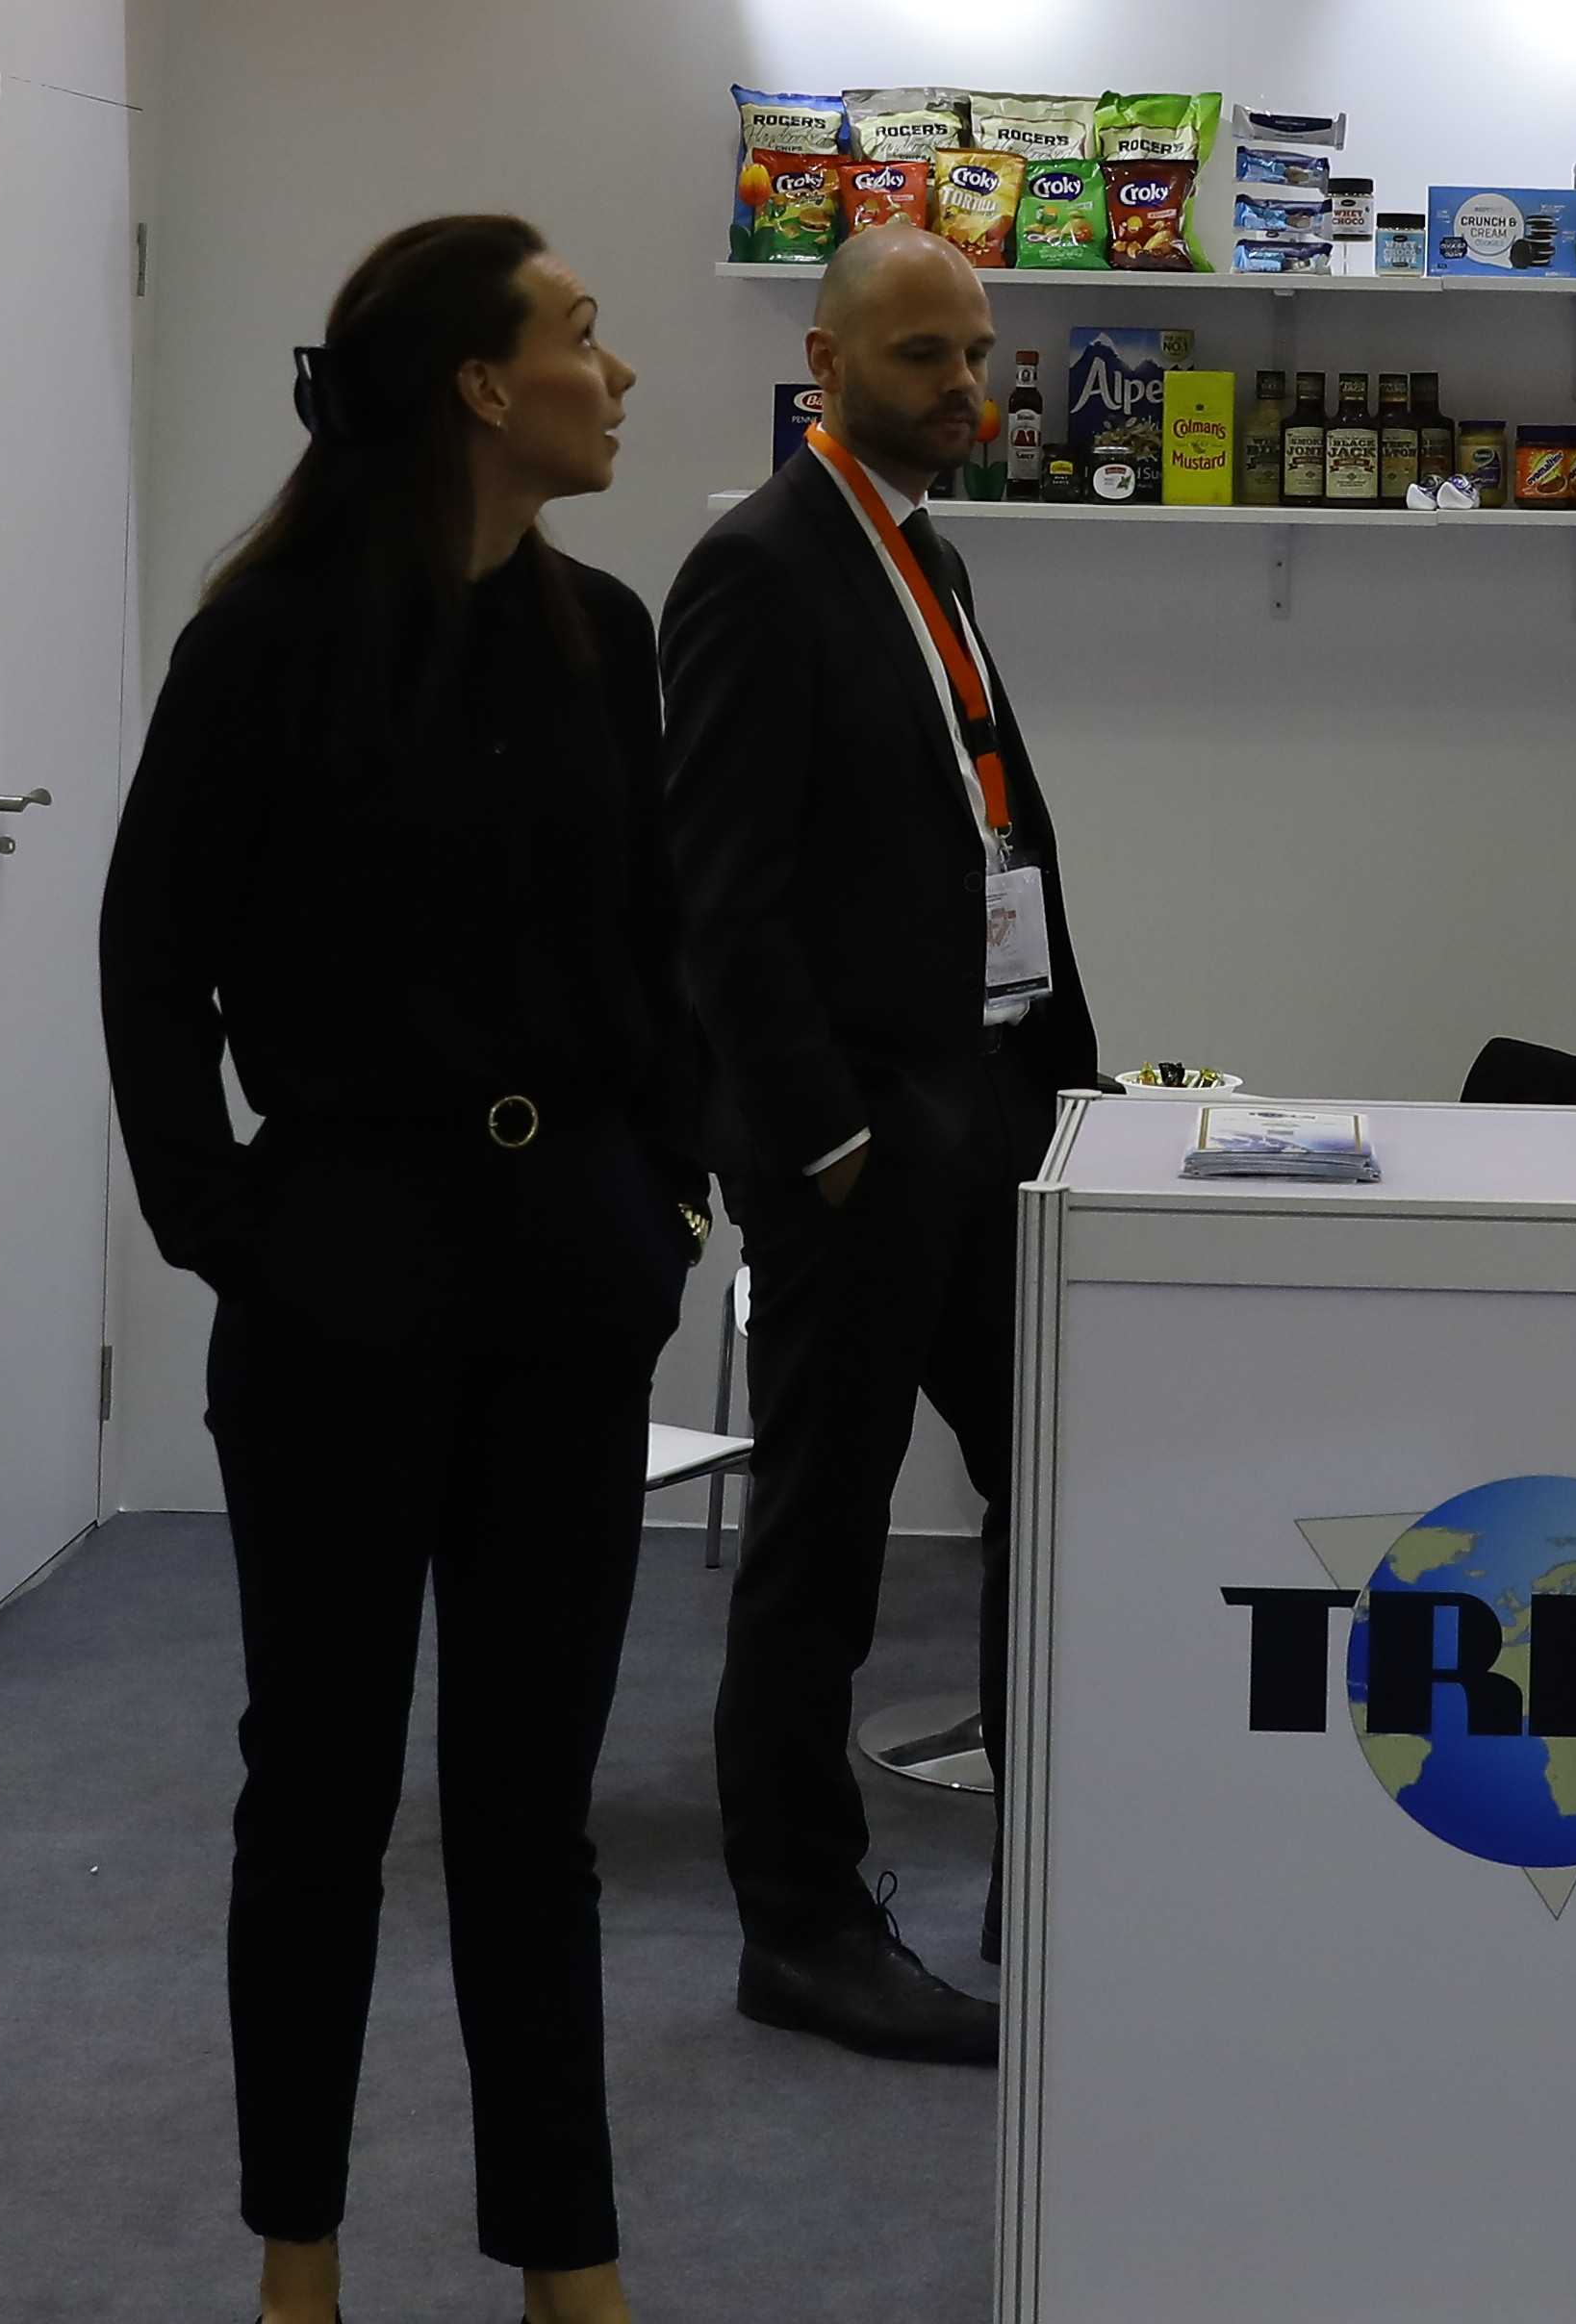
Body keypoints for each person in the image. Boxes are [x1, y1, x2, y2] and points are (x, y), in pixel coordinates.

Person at [102, 216, 706, 2324]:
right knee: (322, 1793)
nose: (615, 373)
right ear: (477, 381)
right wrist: (227, 1228)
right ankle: (301, 2257)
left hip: (567, 1291)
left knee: (533, 1809)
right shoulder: (265, 642)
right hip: (339, 1292)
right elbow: (151, 966)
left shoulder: (603, 631)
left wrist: (668, 1196)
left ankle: (569, 2260)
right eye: (582, 334)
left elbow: (658, 943)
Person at [667, 217, 1102, 2066]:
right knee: (823, 1547)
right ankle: (804, 1930)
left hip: (985, 1112)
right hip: (861, 1145)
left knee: (1053, 1485)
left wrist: (1060, 1087)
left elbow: (989, 834)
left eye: (977, 353)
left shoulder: (929, 551)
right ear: (828, 365)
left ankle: (1048, 1881)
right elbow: (721, 898)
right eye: (926, 356)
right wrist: (827, 1142)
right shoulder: (758, 568)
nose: (963, 387)